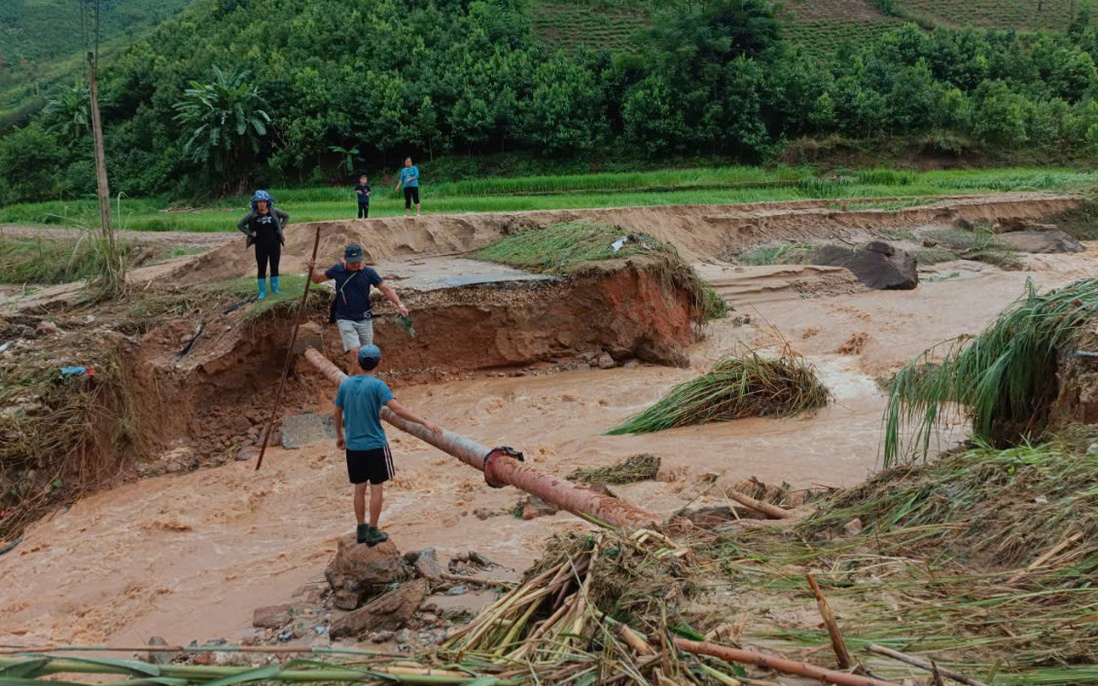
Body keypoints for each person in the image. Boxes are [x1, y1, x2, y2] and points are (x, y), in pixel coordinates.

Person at [335, 344, 442, 545]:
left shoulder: (346, 385)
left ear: (357, 363)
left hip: (354, 446)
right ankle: (373, 530)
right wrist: (424, 422)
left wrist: (340, 435)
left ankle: (361, 528)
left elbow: (337, 412)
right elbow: (398, 409)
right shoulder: (378, 386)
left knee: (359, 488)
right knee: (377, 488)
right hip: (375, 445)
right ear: (379, 363)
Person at [308, 243, 409, 371]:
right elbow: (317, 279)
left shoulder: (369, 273)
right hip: (345, 318)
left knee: (369, 355)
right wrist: (312, 269)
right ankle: (359, 382)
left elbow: (386, 289)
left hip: (364, 318)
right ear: (345, 260)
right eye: (352, 262)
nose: (355, 265)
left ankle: (358, 377)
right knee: (356, 351)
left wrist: (400, 305)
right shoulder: (337, 270)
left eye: (357, 262)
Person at [237, 190, 289, 299]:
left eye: (264, 201)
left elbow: (286, 216)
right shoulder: (252, 215)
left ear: (268, 202)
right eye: (259, 202)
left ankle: (275, 289)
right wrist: (250, 233)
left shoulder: (274, 212)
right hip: (260, 246)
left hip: (274, 245)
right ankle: (262, 291)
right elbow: (240, 224)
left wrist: (281, 227)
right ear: (255, 203)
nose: (262, 204)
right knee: (262, 267)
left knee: (274, 266)